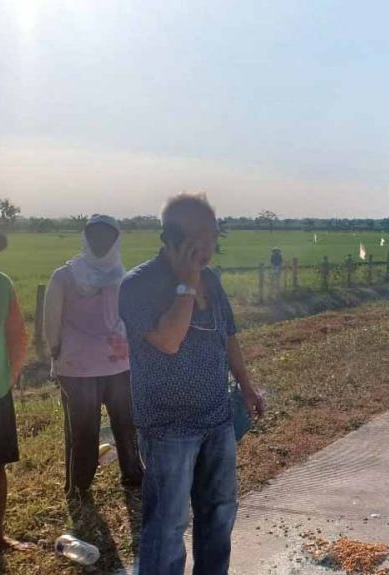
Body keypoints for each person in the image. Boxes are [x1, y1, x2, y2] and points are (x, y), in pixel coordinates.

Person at [119, 193, 265, 575]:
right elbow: (169, 341)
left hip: (216, 419)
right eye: (202, 236)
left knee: (218, 514)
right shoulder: (138, 285)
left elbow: (227, 335)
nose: (211, 245)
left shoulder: (211, 280)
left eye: (214, 236)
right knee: (168, 525)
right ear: (171, 237)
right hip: (168, 427)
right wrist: (185, 286)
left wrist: (246, 387)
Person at [43, 214, 142, 498]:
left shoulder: (64, 275)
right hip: (118, 362)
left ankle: (79, 486)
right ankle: (132, 474)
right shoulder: (122, 275)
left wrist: (55, 351)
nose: (101, 242)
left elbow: (52, 321)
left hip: (77, 367)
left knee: (83, 431)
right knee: (125, 423)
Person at [0, 216, 30, 552]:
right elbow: (18, 339)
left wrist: (7, 375)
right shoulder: (0, 283)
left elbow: (16, 337)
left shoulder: (0, 284)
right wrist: (9, 376)